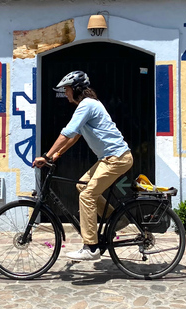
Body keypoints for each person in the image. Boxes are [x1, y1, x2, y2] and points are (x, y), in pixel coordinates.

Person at [32, 70, 133, 261]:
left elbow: (67, 133)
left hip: (116, 158)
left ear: (76, 89)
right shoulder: (88, 105)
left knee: (87, 195)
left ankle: (91, 247)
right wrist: (57, 155)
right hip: (109, 158)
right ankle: (116, 219)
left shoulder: (86, 105)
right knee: (82, 186)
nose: (65, 93)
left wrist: (46, 156)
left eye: (67, 89)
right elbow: (75, 135)